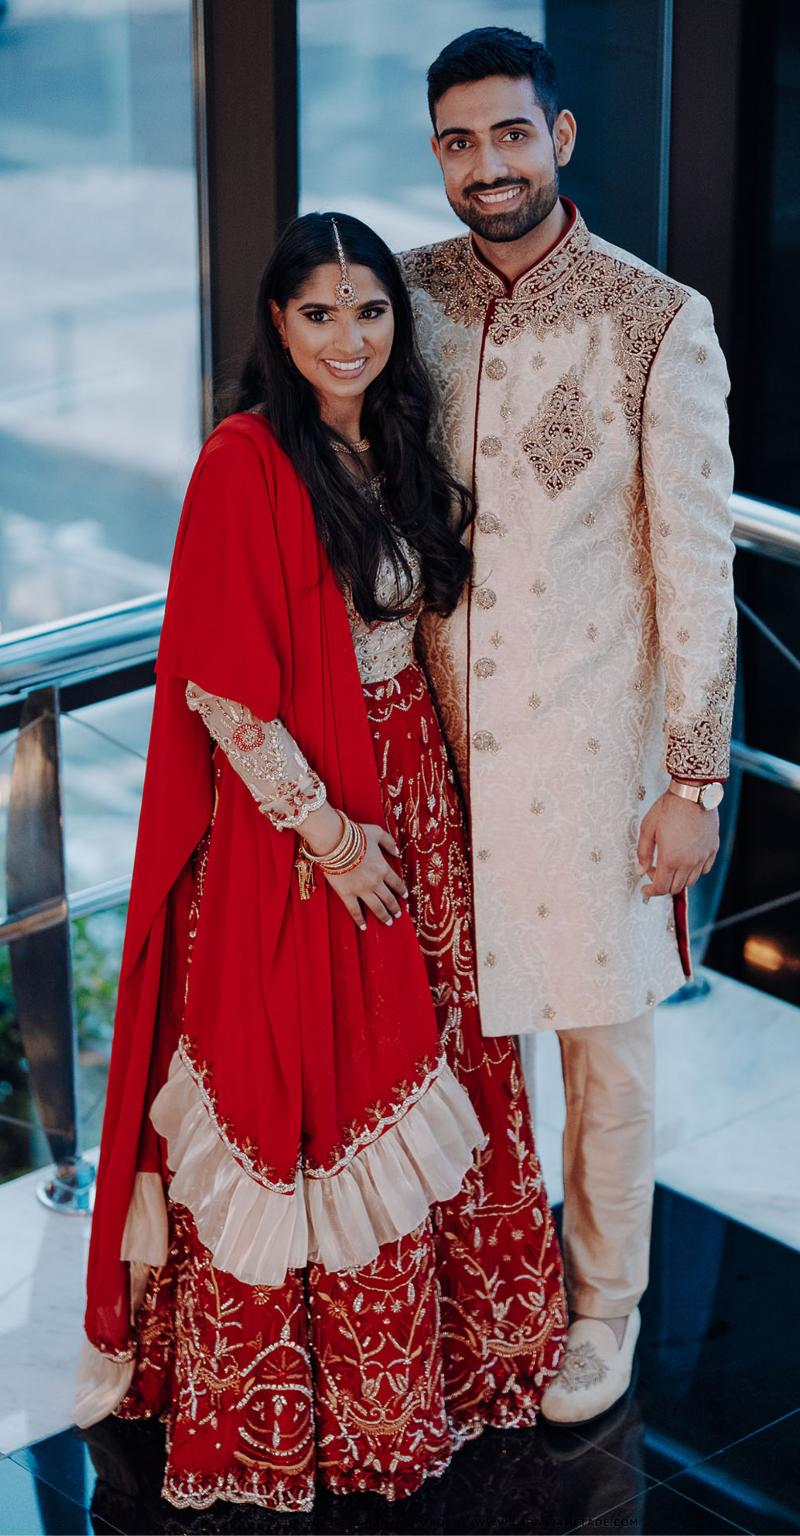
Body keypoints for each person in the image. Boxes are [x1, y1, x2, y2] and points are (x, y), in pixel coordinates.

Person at [75, 212, 566, 1511]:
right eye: (319, 313)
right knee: (326, 1084)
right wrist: (334, 839)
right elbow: (223, 691)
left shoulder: (393, 441)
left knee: (437, 1058)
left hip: (421, 795)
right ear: (277, 326)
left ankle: (445, 1366)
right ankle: (322, 1397)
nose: (349, 337)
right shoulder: (243, 463)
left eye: (370, 310)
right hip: (304, 829)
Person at [399, 28, 736, 1423]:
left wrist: (693, 782)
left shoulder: (658, 320)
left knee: (603, 1053)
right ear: (438, 153)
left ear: (563, 136)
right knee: (452, 1050)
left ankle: (605, 1309)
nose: (488, 165)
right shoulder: (405, 295)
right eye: (460, 141)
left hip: (596, 763)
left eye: (511, 134)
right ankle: (477, 1291)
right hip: (434, 754)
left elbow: (698, 568)